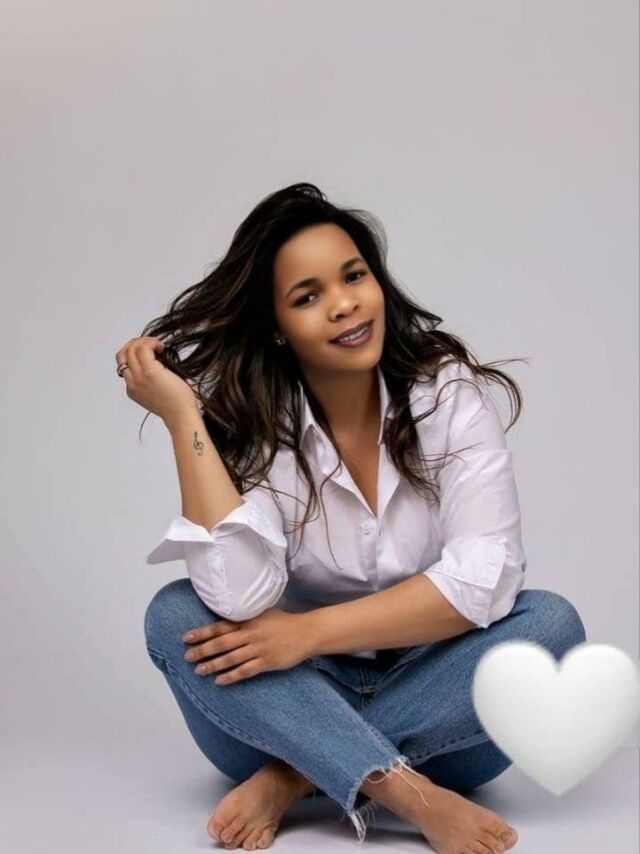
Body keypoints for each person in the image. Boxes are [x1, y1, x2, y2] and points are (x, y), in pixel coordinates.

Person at [115, 183, 587, 852]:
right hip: (287, 705)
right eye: (308, 297)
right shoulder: (256, 428)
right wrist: (182, 416)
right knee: (174, 614)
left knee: (550, 625)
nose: (344, 305)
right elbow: (237, 598)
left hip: (442, 711)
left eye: (354, 276)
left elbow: (487, 577)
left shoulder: (445, 393)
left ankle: (293, 777)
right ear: (276, 325)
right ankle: (412, 797)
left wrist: (306, 634)